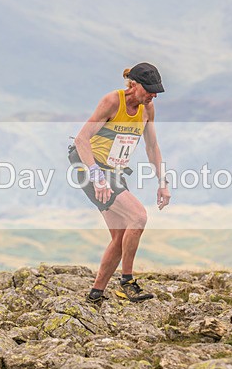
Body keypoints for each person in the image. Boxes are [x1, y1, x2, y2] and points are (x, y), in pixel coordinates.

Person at [70, 63, 171, 304]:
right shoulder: (112, 102)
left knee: (120, 236)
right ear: (134, 85)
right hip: (89, 167)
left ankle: (95, 294)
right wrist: (97, 178)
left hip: (114, 171)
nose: (153, 95)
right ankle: (127, 281)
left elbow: (151, 146)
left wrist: (162, 182)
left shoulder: (148, 109)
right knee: (138, 216)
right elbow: (81, 140)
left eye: (157, 91)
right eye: (150, 90)